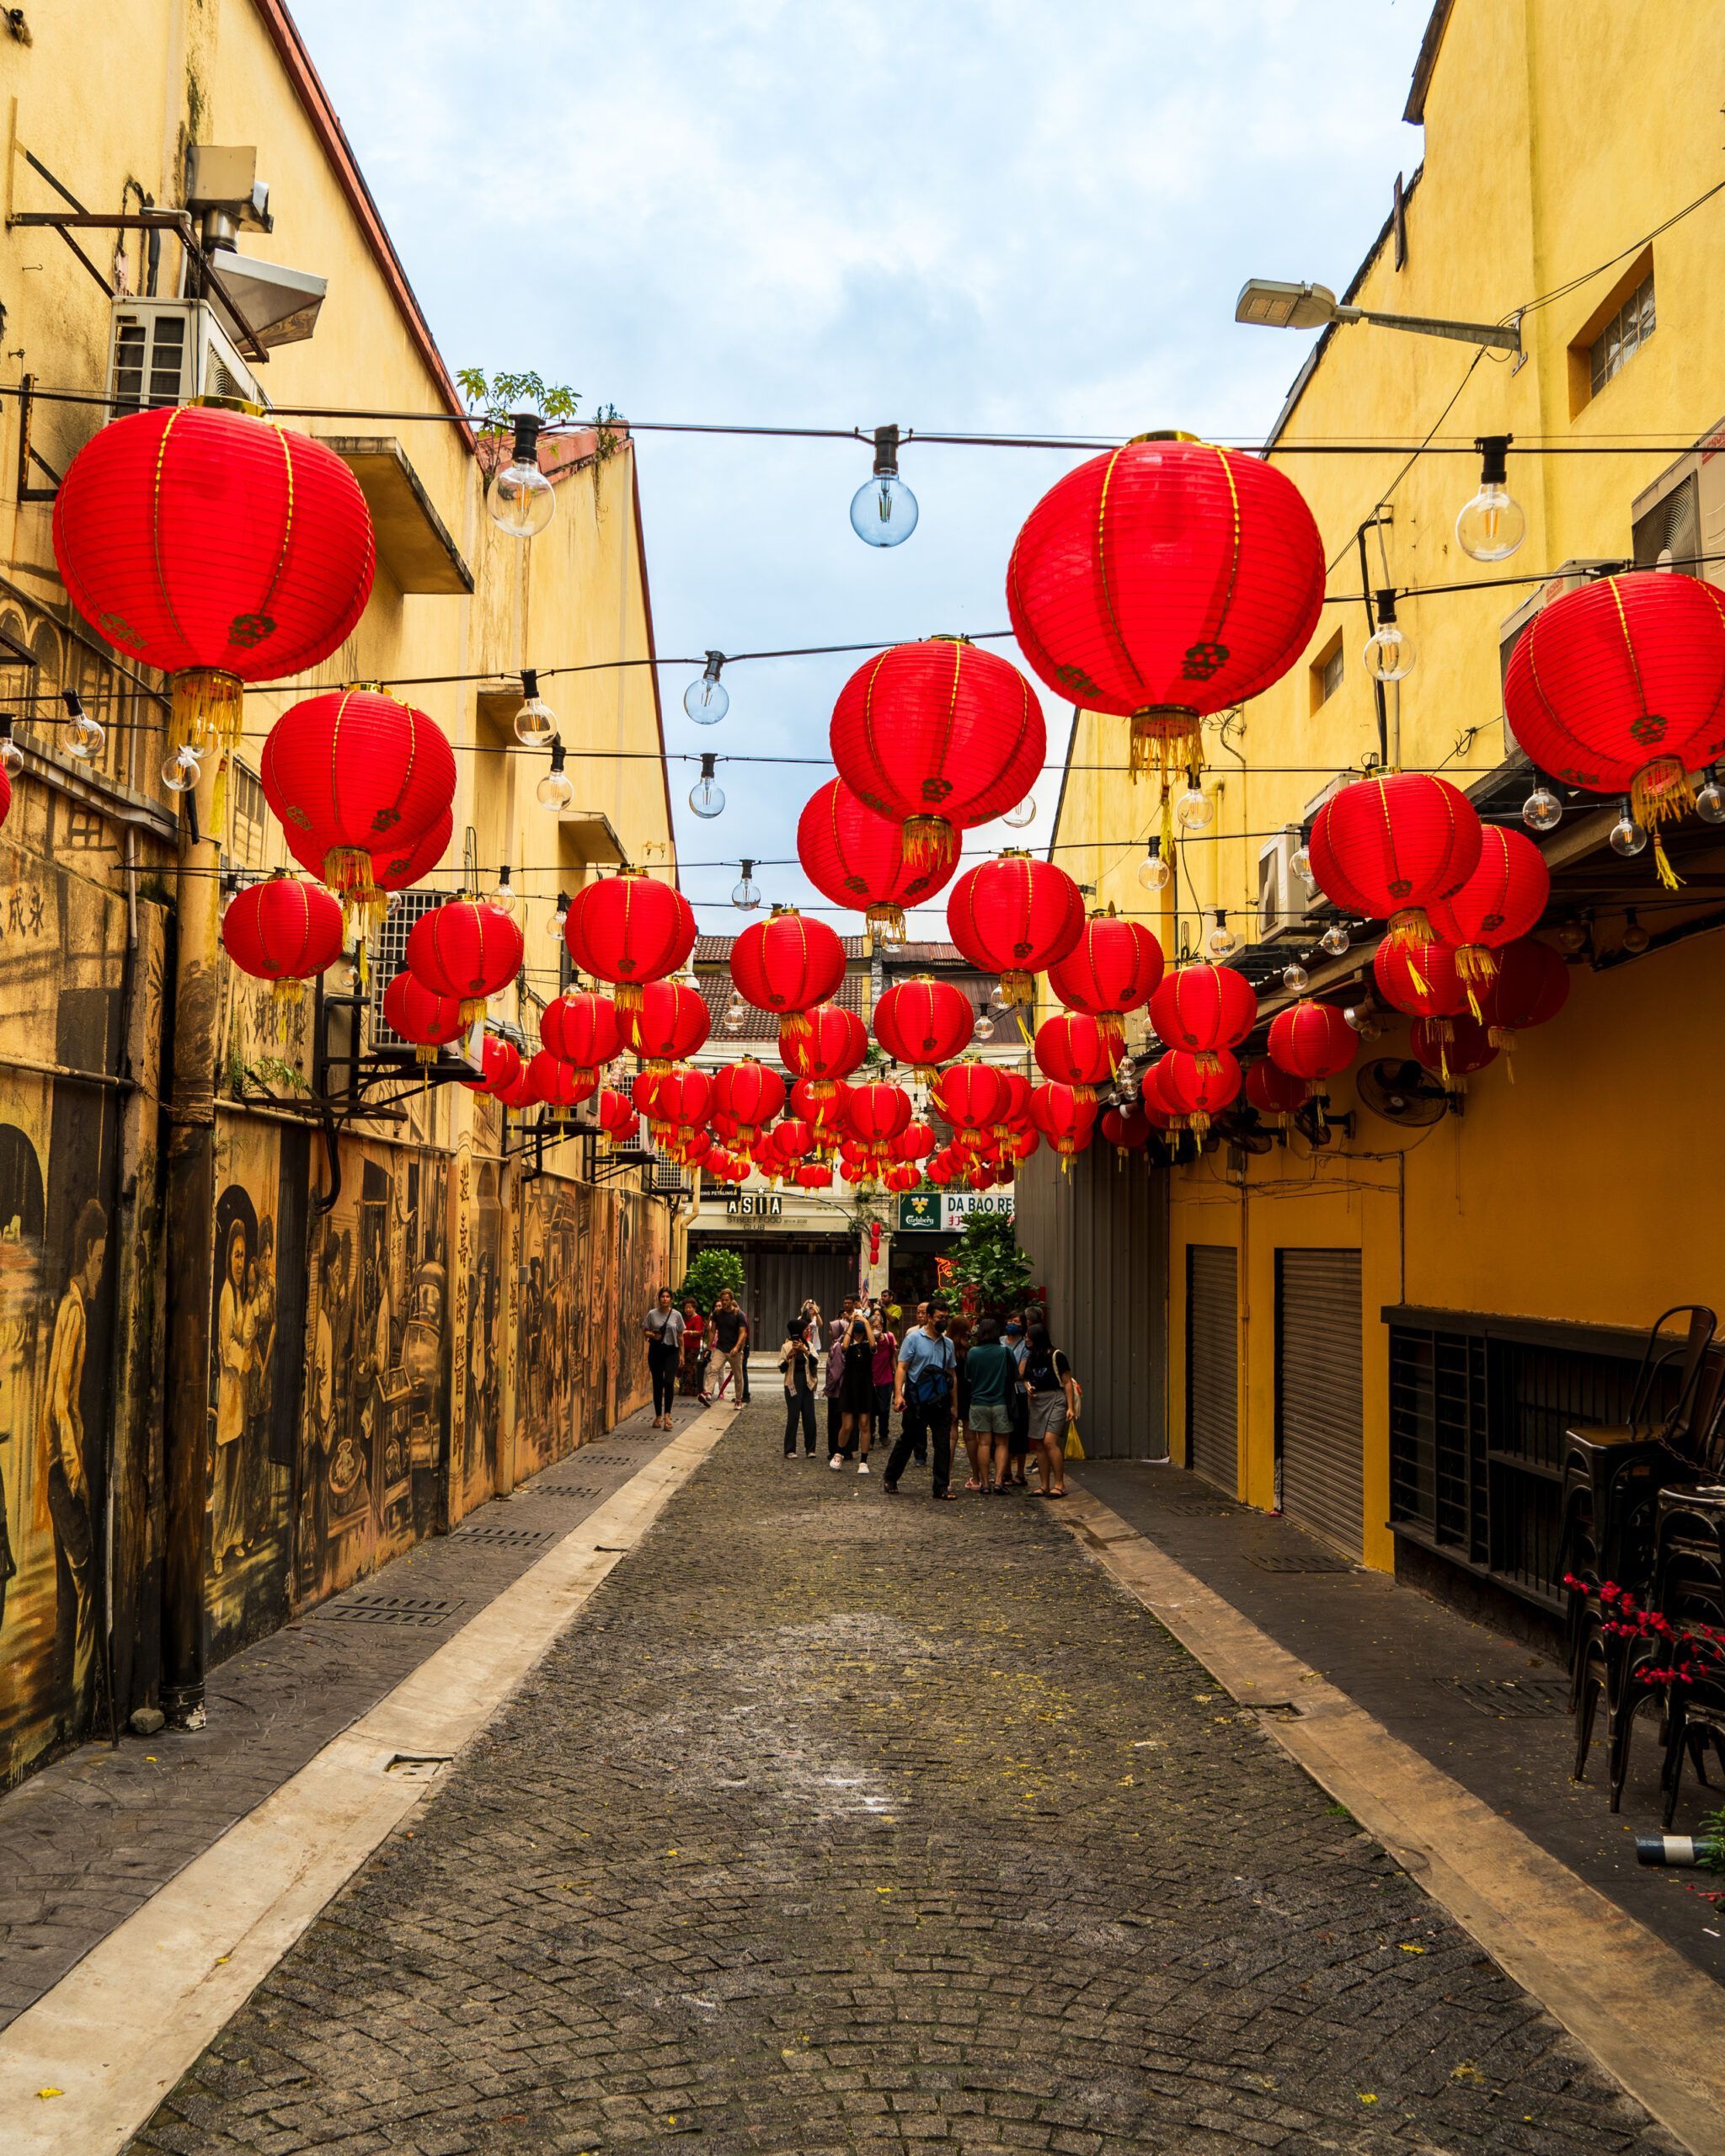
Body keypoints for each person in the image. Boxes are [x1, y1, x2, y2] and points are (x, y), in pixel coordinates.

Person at [45, 1199, 106, 1719]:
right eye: (102, 1260)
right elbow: (57, 1400)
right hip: (62, 1471)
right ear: (87, 1253)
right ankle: (78, 1690)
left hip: (64, 1466)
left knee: (77, 1582)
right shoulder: (72, 1311)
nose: (103, 1272)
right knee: (85, 1581)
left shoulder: (75, 1309)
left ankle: (75, 1685)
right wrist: (74, 1469)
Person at [884, 1309, 958, 1499]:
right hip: (916, 1399)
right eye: (940, 1317)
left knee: (942, 1443)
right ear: (930, 1317)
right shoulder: (914, 1339)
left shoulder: (948, 1344)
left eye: (946, 1317)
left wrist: (954, 1404)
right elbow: (902, 1367)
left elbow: (951, 1375)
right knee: (909, 1439)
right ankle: (891, 1477)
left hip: (941, 1399)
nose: (944, 1321)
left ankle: (941, 1487)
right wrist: (898, 1395)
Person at [1023, 1320, 1079, 1497]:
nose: (1026, 1339)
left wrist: (1070, 1407)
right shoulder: (1031, 1357)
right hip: (1037, 1401)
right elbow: (1026, 1378)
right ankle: (1044, 1485)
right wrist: (1028, 1387)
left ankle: (1060, 1484)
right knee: (1039, 1444)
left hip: (1056, 1399)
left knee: (1049, 1441)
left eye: (1028, 1337)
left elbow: (1067, 1382)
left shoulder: (1057, 1355)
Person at [963, 1316, 1016, 1493]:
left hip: (978, 1403)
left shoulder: (973, 1353)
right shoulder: (1005, 1352)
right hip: (1001, 1403)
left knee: (983, 1443)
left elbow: (968, 1376)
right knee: (1002, 1443)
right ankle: (999, 1481)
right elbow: (1014, 1375)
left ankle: (985, 1483)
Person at [830, 1308, 877, 1474]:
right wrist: (851, 1323)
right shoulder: (847, 1345)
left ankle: (864, 1461)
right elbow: (844, 1346)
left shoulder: (868, 1345)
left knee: (865, 1424)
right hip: (849, 1386)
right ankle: (839, 1452)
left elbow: (873, 1344)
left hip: (865, 1386)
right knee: (847, 1425)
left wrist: (865, 1322)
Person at [778, 1312, 818, 1457]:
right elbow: (782, 1368)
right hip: (792, 1382)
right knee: (793, 1416)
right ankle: (790, 1449)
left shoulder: (809, 1345)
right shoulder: (786, 1346)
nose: (808, 1331)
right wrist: (790, 1356)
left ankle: (811, 1449)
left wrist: (805, 1351)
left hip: (807, 1382)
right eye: (805, 1329)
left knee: (809, 1416)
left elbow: (815, 1362)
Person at [643, 1288, 682, 1428]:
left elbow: (680, 1335)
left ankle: (668, 1416)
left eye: (667, 1296)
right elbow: (645, 1330)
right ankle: (658, 1416)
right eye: (662, 1296)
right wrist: (652, 1335)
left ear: (671, 1299)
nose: (665, 1299)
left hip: (672, 1352)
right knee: (658, 1383)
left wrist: (682, 1354)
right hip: (656, 1351)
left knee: (669, 1382)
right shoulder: (652, 1314)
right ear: (659, 1298)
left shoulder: (676, 1315)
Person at [1002, 1315, 1032, 1488]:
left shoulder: (1024, 1346)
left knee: (1020, 1432)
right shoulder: (999, 1341)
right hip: (1001, 1392)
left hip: (1018, 1392)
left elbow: (1020, 1372)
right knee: (1003, 1433)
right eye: (1010, 1321)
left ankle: (1020, 1473)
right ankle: (1005, 1472)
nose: (1012, 1324)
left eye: (1016, 1322)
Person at [709, 1289, 749, 1406]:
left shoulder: (739, 1314)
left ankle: (738, 1400)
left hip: (734, 1350)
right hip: (720, 1348)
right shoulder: (717, 1314)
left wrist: (737, 1348)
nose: (724, 1302)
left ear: (731, 1300)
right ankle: (707, 1392)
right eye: (723, 1300)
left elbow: (743, 1333)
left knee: (738, 1376)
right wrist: (708, 1348)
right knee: (713, 1368)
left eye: (727, 1300)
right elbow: (712, 1331)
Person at [823, 1307, 851, 1459]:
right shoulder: (841, 1344)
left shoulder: (838, 1346)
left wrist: (828, 1387)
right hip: (841, 1389)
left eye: (831, 1329)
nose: (829, 1332)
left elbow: (836, 1371)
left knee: (836, 1422)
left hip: (837, 1391)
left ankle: (837, 1449)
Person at [871, 1305, 899, 1454]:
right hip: (871, 1379)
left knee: (884, 1409)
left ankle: (884, 1433)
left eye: (879, 1326)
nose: (877, 1328)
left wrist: (896, 1375)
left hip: (886, 1378)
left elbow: (892, 1358)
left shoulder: (889, 1338)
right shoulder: (867, 1340)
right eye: (873, 1326)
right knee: (869, 1409)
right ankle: (870, 1435)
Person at [678, 1297, 710, 1401]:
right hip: (684, 1346)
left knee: (690, 1369)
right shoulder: (684, 1319)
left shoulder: (697, 1318)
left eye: (690, 1308)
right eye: (686, 1308)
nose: (688, 1310)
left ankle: (691, 1391)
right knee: (684, 1368)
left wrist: (689, 1332)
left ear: (694, 1308)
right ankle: (685, 1390)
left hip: (693, 1347)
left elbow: (699, 1332)